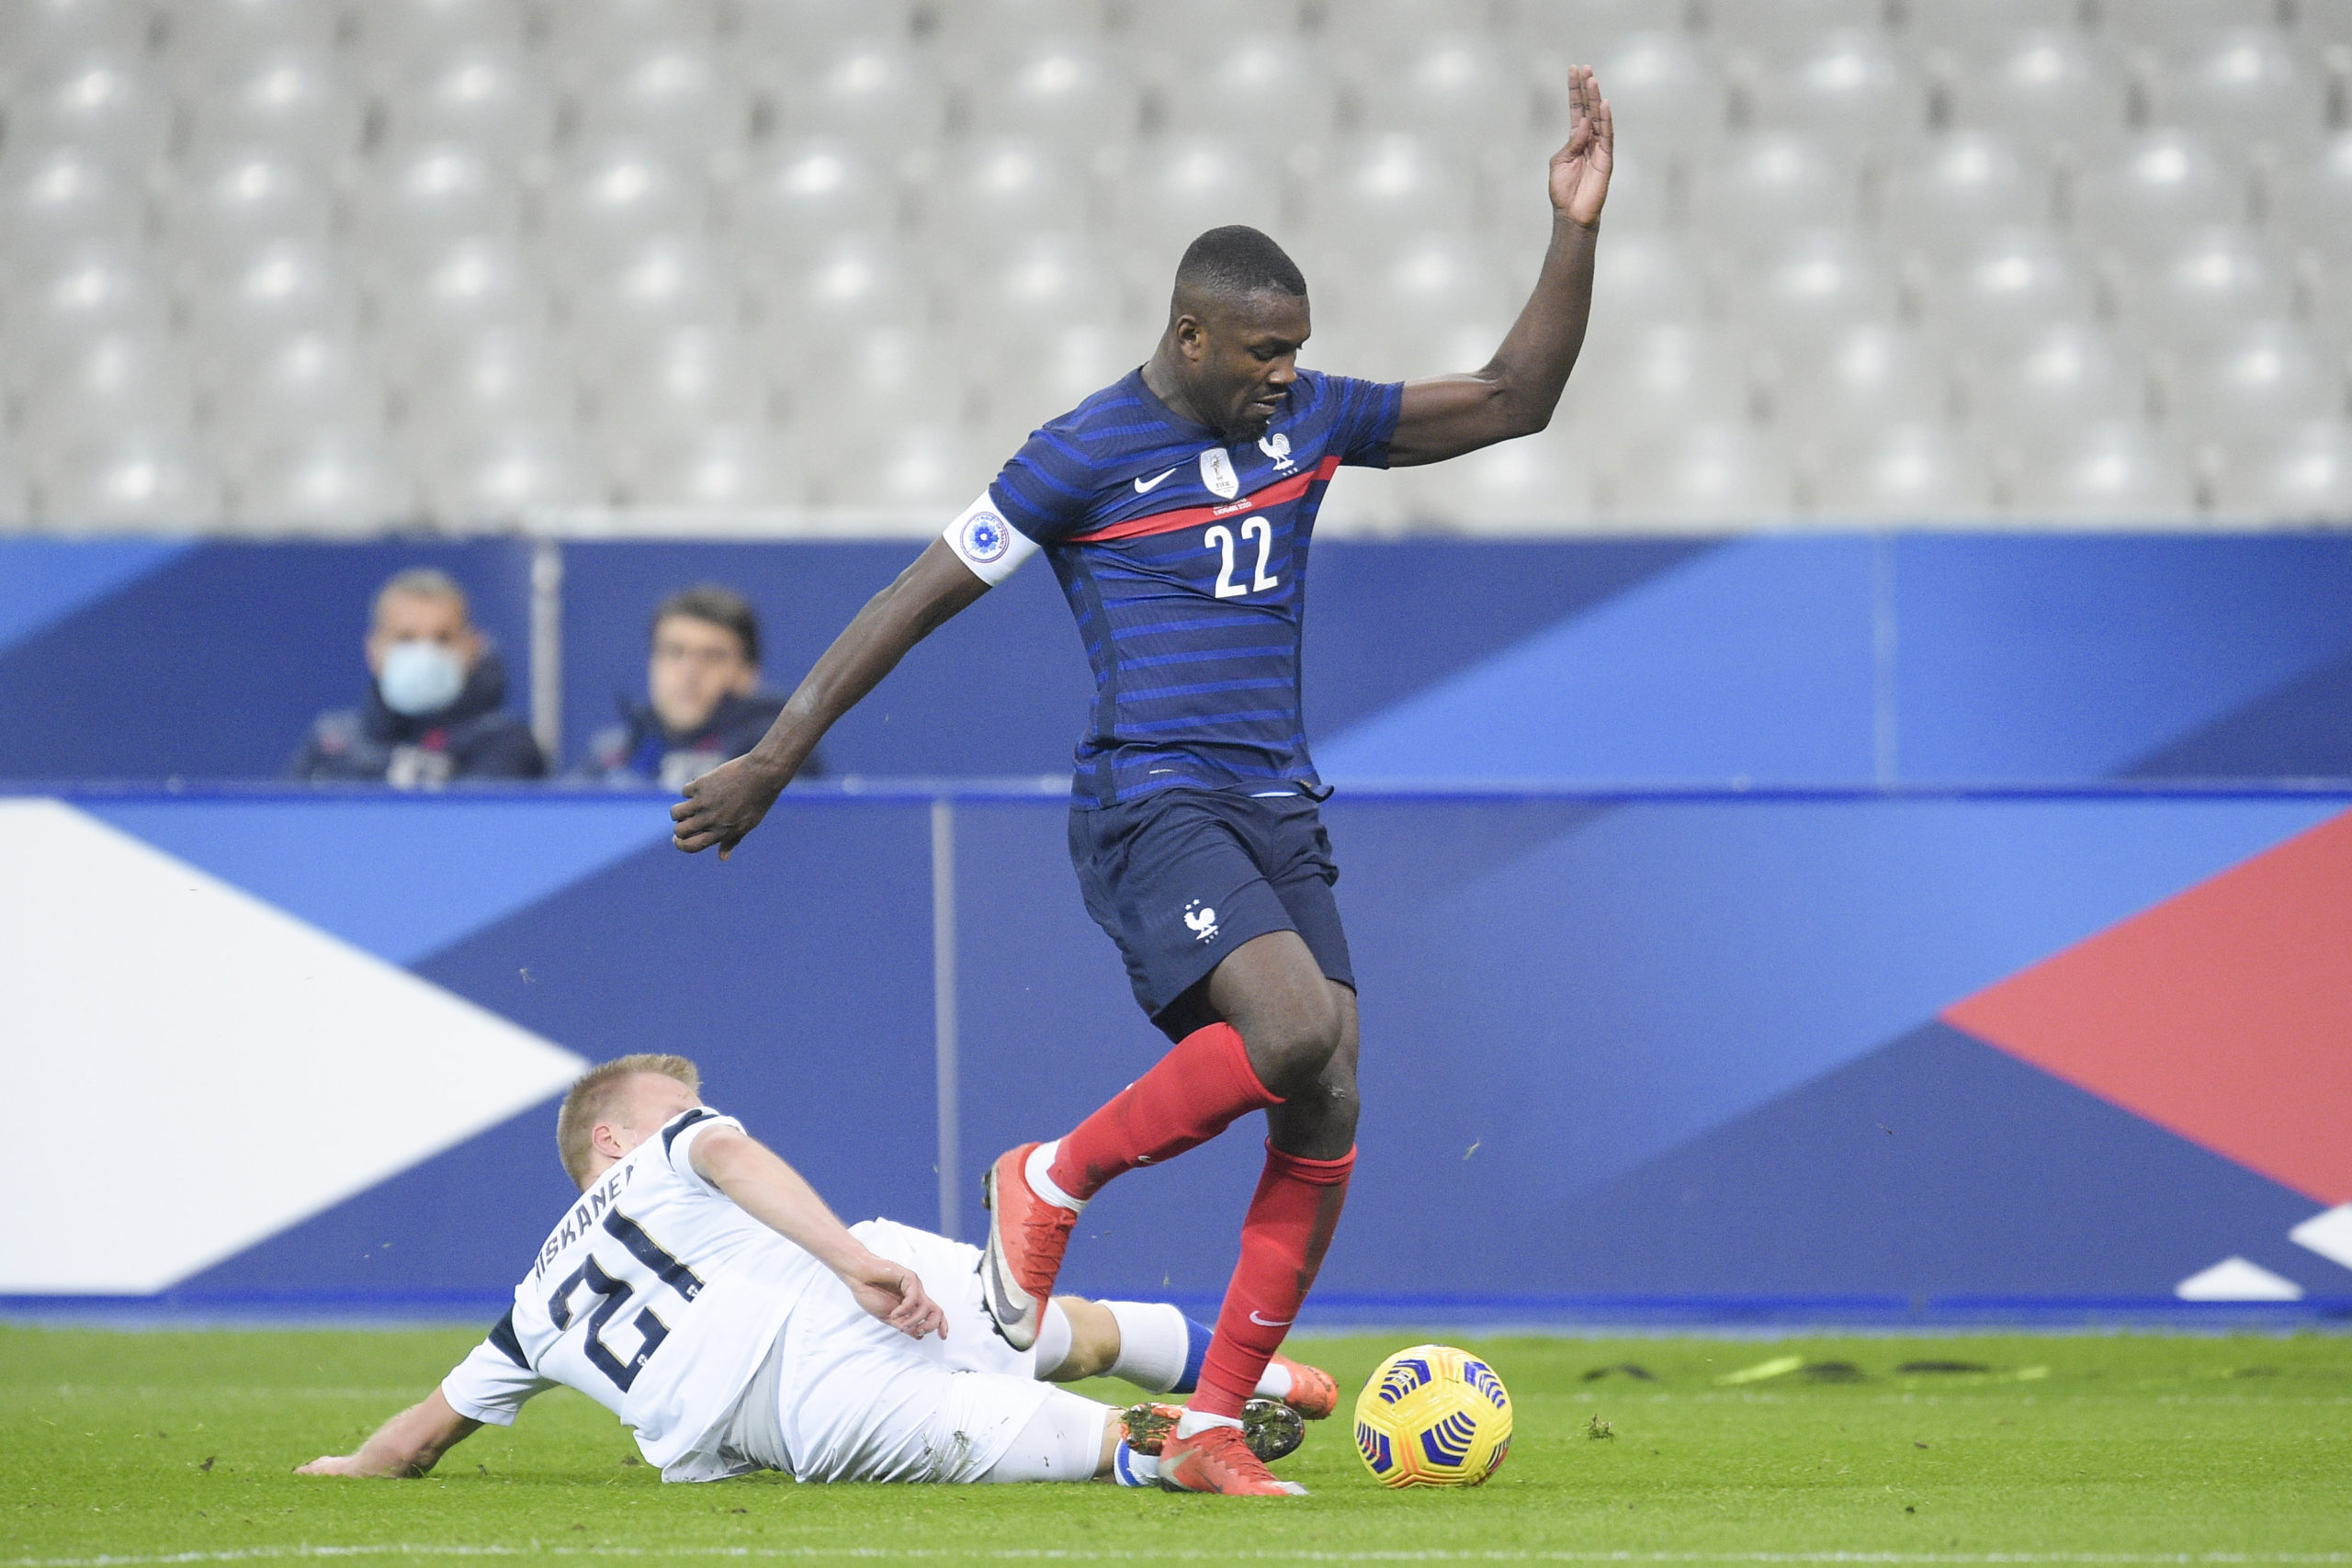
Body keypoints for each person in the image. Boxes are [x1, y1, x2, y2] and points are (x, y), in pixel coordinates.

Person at [670, 69, 1614, 1495]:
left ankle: (1215, 1425)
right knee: (1295, 1026)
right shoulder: (1084, 453)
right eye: (1263, 350)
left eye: (1300, 347)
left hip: (1278, 804)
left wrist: (1572, 229)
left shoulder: (1310, 422)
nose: (1288, 371)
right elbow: (914, 597)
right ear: (1190, 333)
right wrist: (775, 752)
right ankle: (1046, 1176)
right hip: (1150, 798)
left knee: (1330, 1089)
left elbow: (1512, 398)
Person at [296, 1055, 1331, 1489]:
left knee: (1080, 1443)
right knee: (1071, 1332)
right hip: (841, 1297)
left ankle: (1205, 1434)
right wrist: (852, 1259)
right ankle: (1260, 1383)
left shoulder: (529, 1312)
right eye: (674, 1104)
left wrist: (347, 1470)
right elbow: (731, 1154)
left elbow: (413, 1441)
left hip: (802, 1406)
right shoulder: (662, 1158)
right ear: (609, 1142)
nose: (694, 1112)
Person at [291, 567, 544, 787]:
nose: (425, 652)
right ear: (373, 651)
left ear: (472, 648)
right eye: (406, 639)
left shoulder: (504, 745)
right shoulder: (333, 745)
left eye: (442, 638)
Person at [579, 586, 818, 791]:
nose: (689, 672)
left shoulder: (779, 756)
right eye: (674, 652)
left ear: (748, 673)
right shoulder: (613, 756)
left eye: (712, 656)